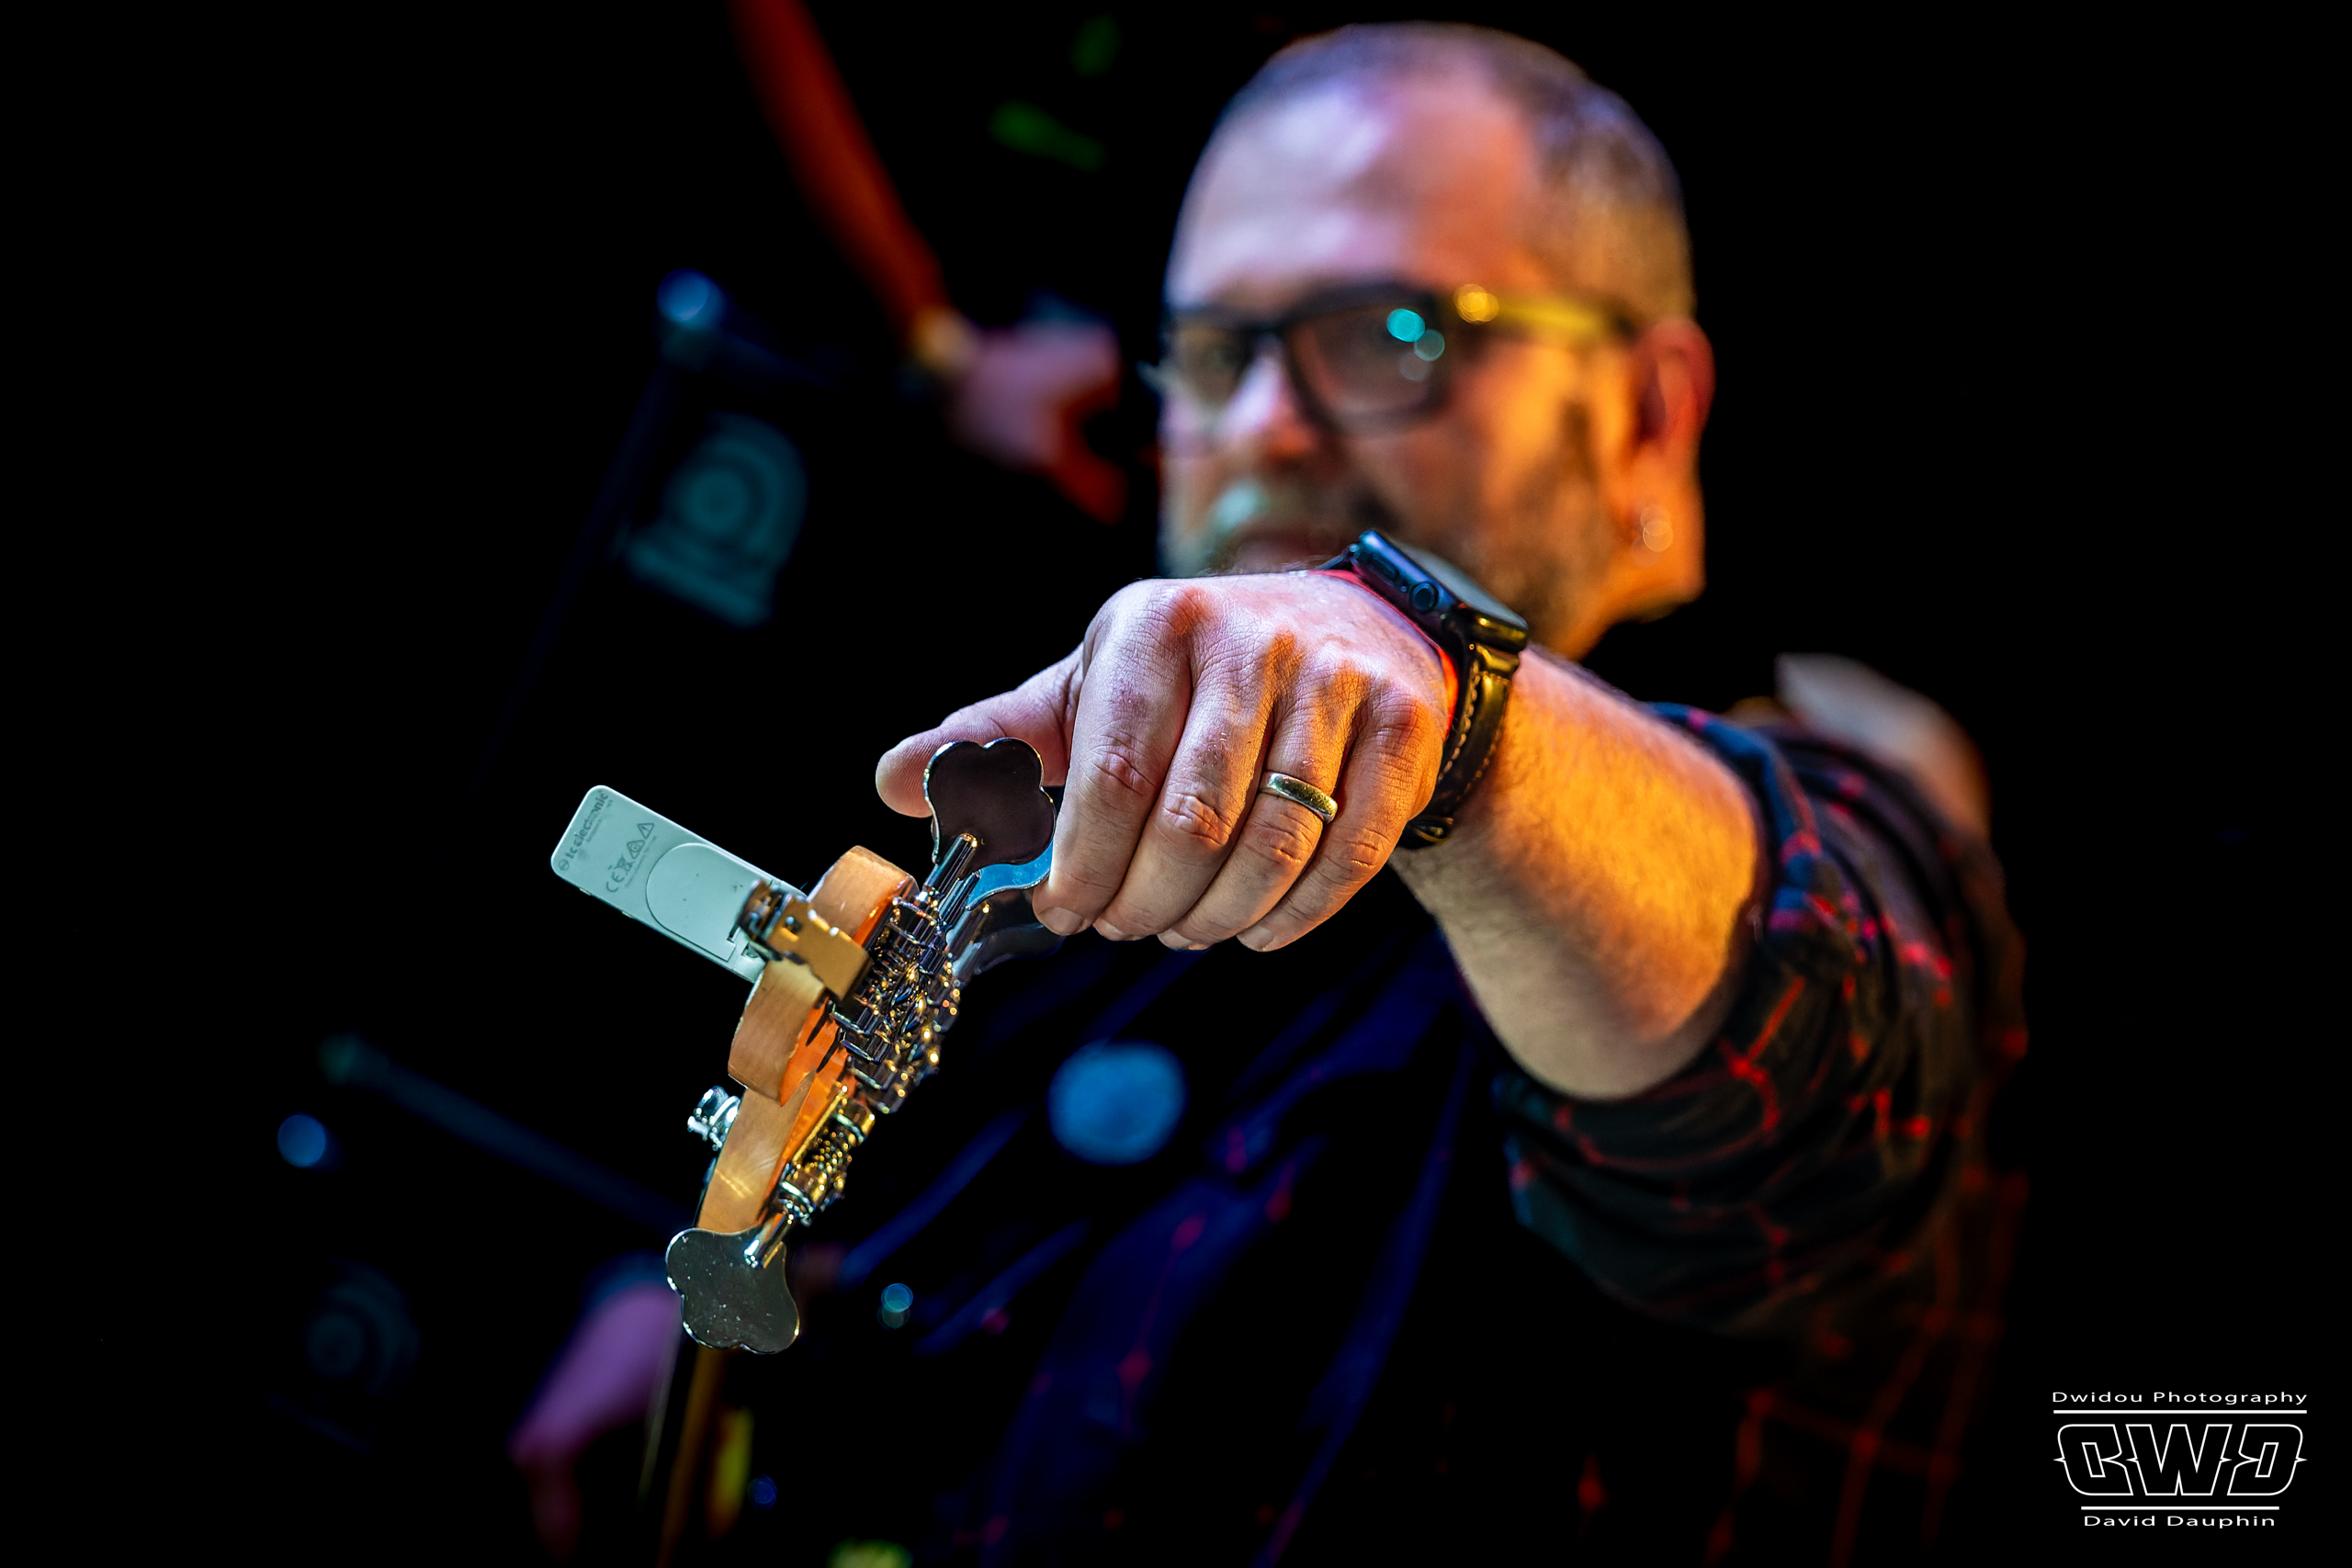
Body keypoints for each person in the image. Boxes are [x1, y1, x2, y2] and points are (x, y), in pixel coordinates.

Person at [519, 24, 2022, 1564]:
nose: (1261, 428)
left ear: (1647, 411)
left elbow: (1823, 1031)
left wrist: (1446, 696)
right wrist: (737, 1308)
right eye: (1212, 353)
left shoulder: (1800, 801)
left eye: (1390, 334)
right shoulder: (1157, 820)